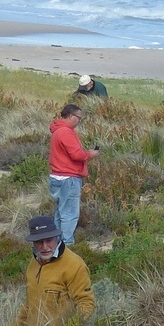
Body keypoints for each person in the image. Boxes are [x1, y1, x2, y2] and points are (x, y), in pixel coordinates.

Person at [17, 215, 95, 326]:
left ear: (57, 238)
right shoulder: (34, 263)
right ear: (33, 242)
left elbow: (86, 304)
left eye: (49, 240)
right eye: (39, 242)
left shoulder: (75, 265)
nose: (45, 247)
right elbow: (29, 302)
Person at [48, 103, 99, 247]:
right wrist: (90, 154)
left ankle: (57, 243)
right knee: (69, 214)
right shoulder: (65, 132)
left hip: (57, 176)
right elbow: (77, 155)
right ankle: (67, 245)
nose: (79, 121)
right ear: (71, 116)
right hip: (68, 178)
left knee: (60, 213)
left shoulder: (57, 130)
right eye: (79, 118)